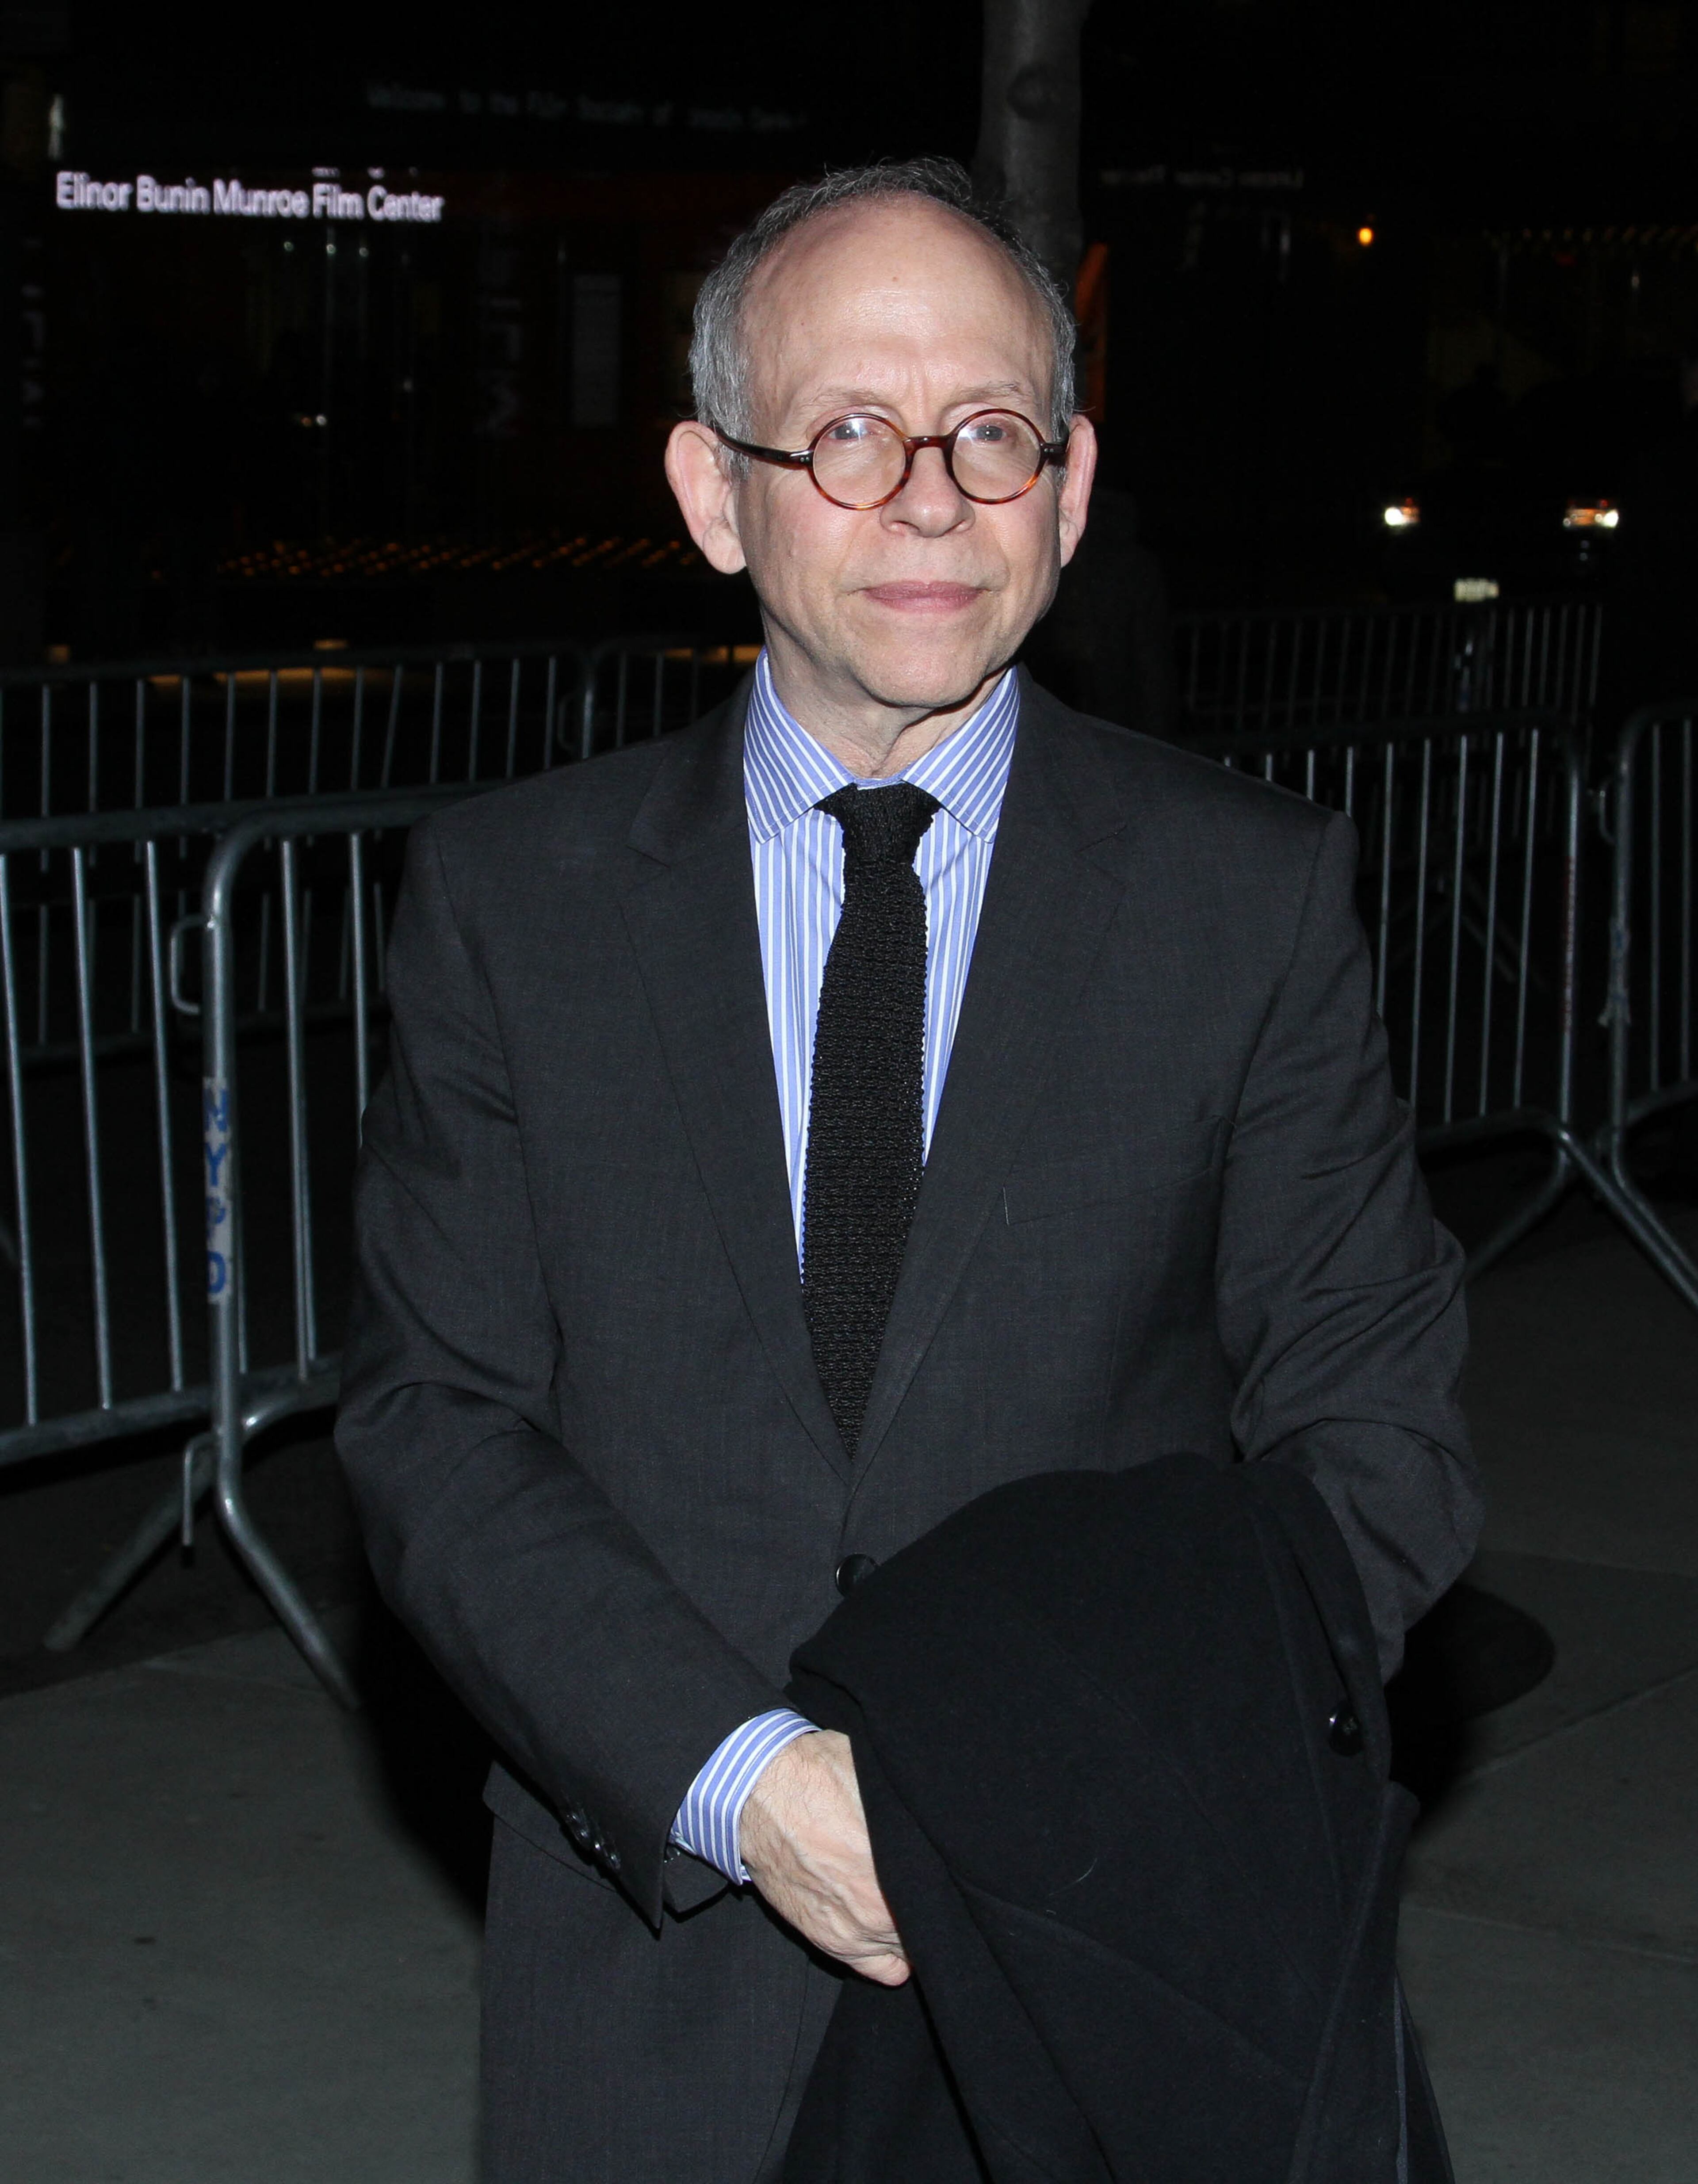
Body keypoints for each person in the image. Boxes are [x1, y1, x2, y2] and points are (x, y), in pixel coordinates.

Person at [335, 157, 1479, 2184]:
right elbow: (439, 1419)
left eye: (991, 432)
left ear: (1072, 483)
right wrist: (745, 1777)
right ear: (716, 492)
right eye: (851, 433)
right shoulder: (518, 905)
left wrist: (1042, 1784)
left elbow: (1380, 1440)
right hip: (648, 1966)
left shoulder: (1246, 900)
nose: (933, 499)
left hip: (1100, 1963)